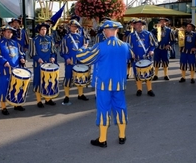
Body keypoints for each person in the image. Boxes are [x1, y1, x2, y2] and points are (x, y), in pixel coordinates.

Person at [76, 20, 134, 148]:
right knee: (121, 108)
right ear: (117, 30)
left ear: (106, 31)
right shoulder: (125, 46)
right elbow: (131, 57)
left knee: (103, 109)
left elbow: (83, 58)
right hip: (119, 84)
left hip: (103, 85)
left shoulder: (100, 46)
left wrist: (82, 48)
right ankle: (122, 136)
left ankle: (102, 139)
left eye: (104, 30)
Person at [0, 25, 26, 115]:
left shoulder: (16, 43)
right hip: (4, 70)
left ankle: (16, 104)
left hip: (16, 70)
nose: (9, 33)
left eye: (11, 32)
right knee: (4, 88)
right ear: (3, 32)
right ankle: (3, 107)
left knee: (16, 87)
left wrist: (22, 58)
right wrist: (4, 61)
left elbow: (21, 53)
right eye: (7, 32)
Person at [60, 19, 89, 105]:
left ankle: (80, 94)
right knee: (68, 78)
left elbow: (84, 49)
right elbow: (62, 51)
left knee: (80, 77)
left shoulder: (81, 37)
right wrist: (67, 58)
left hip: (79, 61)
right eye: (72, 26)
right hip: (70, 62)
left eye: (76, 26)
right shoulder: (66, 38)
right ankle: (66, 96)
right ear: (69, 27)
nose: (74, 28)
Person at [29, 23, 57, 108]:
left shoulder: (50, 38)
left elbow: (53, 51)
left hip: (48, 64)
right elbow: (32, 53)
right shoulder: (34, 40)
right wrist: (38, 59)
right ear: (39, 30)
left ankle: (48, 99)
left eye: (45, 29)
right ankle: (39, 100)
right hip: (38, 64)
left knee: (47, 81)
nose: (44, 31)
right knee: (38, 81)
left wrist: (52, 57)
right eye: (42, 29)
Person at [126, 19, 156, 97]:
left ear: (143, 26)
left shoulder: (148, 34)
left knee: (148, 74)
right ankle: (139, 89)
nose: (139, 26)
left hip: (147, 58)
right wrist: (131, 54)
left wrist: (151, 51)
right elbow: (128, 47)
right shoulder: (130, 36)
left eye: (140, 25)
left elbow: (154, 44)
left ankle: (150, 90)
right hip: (136, 59)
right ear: (134, 26)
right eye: (137, 25)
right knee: (137, 74)